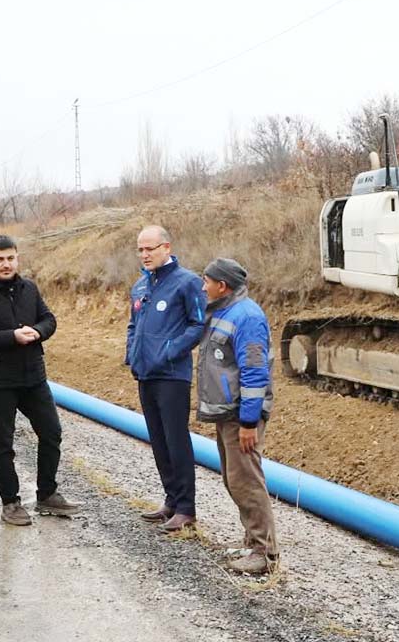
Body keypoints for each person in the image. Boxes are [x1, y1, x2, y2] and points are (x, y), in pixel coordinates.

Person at [0, 234, 81, 526]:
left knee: (52, 432)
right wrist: (11, 337)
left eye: (10, 258)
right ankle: (10, 502)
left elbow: (49, 319)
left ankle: (47, 494)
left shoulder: (29, 288)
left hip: (34, 378)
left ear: (17, 258)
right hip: (0, 381)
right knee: (3, 444)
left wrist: (38, 331)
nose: (6, 264)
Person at [197, 258, 279, 574]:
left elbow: (255, 372)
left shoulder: (248, 317)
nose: (203, 287)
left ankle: (264, 553)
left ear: (223, 285)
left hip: (240, 417)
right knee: (235, 480)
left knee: (247, 481)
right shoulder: (223, 311)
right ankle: (252, 543)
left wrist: (248, 422)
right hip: (227, 413)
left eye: (207, 281)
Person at [126, 225, 206, 532]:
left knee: (176, 439)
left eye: (150, 249)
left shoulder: (186, 283)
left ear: (166, 248)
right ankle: (171, 501)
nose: (145, 255)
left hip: (172, 375)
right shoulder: (140, 287)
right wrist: (132, 353)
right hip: (145, 374)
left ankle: (186, 507)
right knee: (158, 440)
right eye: (140, 250)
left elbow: (198, 325)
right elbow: (133, 325)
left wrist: (170, 350)